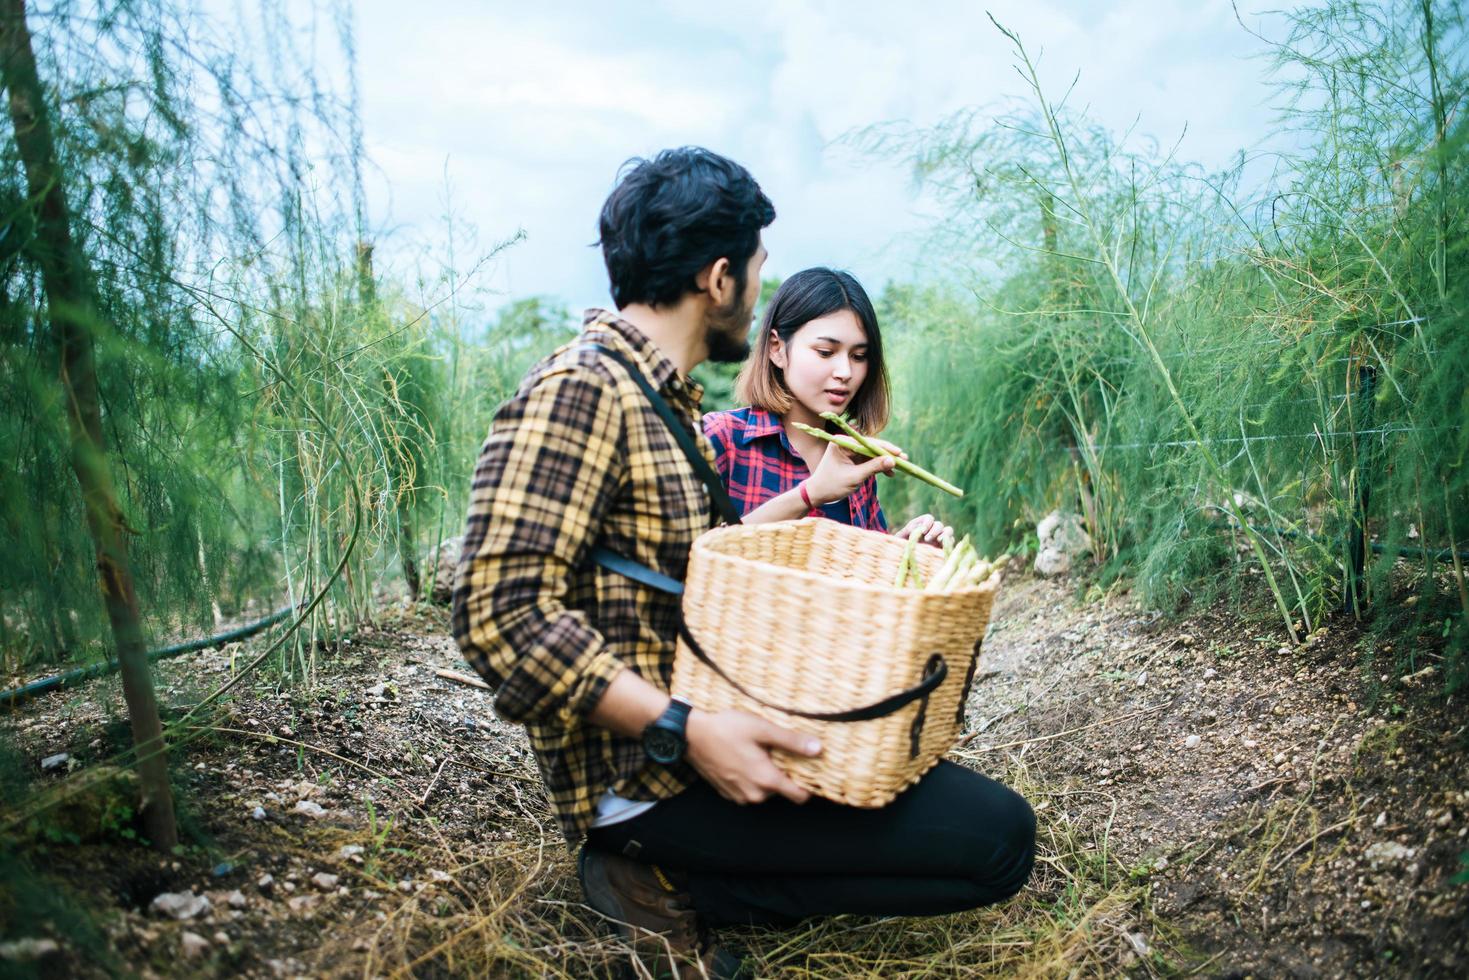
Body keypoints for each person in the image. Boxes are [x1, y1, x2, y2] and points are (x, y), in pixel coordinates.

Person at [453, 148, 1035, 980]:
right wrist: (684, 731)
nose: (759, 294)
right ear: (719, 278)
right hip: (651, 777)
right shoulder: (584, 388)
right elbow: (495, 609)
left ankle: (693, 878)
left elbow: (724, 577)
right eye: (758, 272)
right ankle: (661, 883)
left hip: (704, 730)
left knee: (976, 822)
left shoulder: (664, 405)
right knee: (994, 843)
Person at [703, 266, 952, 545]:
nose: (845, 371)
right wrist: (809, 494)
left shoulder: (856, 457)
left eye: (859, 356)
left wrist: (904, 553)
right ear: (777, 349)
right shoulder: (720, 437)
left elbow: (860, 577)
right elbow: (692, 555)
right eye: (825, 352)